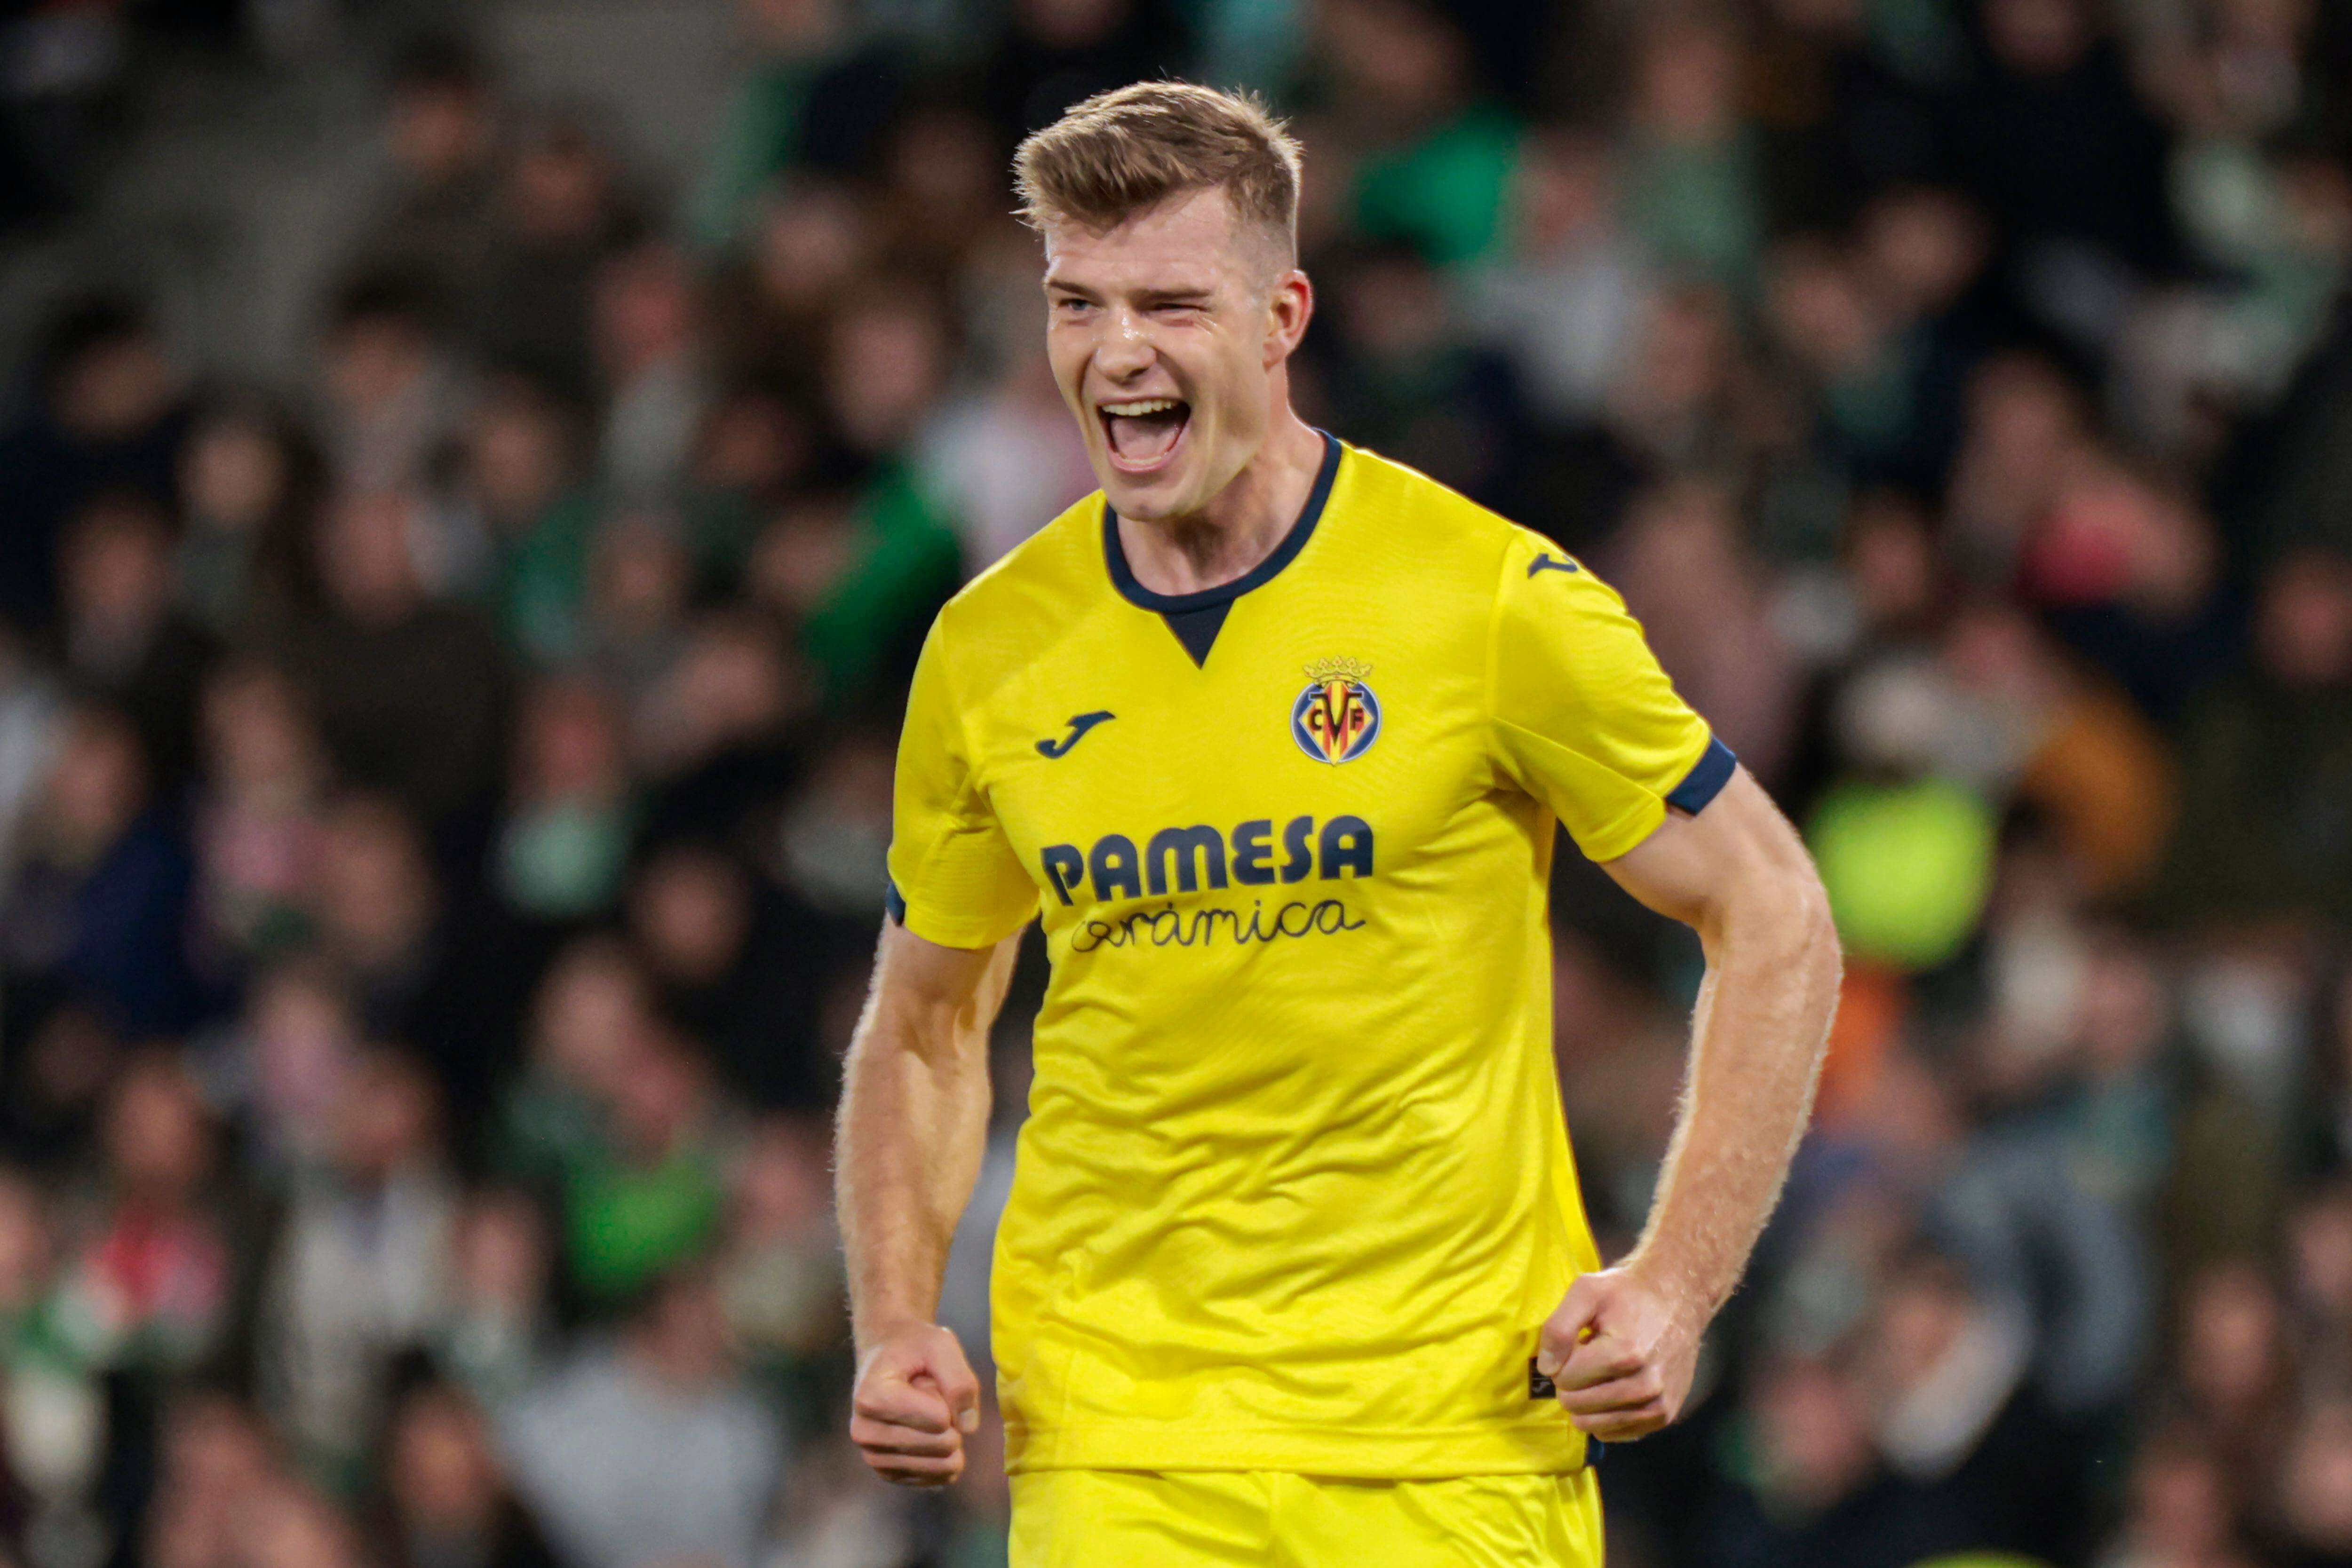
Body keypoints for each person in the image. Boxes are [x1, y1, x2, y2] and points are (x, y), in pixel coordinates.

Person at [833, 82, 1842, 1565]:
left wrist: (1675, 1289)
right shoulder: (991, 653)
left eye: (1170, 304)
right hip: (1122, 1447)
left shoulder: (1485, 600)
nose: (1116, 353)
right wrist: (894, 1319)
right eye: (1077, 304)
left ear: (1281, 319)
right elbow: (924, 1022)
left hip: (1452, 1443)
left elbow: (1775, 913)